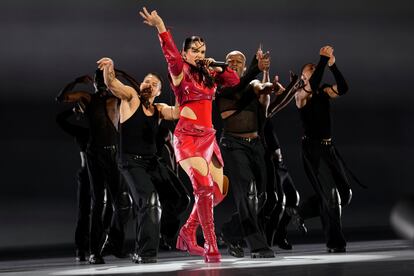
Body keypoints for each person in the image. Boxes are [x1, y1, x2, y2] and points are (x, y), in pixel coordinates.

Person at [139, 7, 240, 263]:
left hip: (209, 138)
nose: (198, 54)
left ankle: (186, 231)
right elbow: (170, 55)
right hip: (187, 138)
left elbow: (234, 81)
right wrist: (161, 26)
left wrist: (214, 64)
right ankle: (211, 246)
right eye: (194, 50)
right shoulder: (179, 71)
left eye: (202, 50)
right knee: (204, 190)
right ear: (185, 53)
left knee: (218, 191)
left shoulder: (208, 74)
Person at [97, 58, 191, 263]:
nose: (149, 84)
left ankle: (164, 232)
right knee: (149, 202)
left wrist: (178, 86)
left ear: (158, 92)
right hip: (131, 162)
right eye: (146, 81)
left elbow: (176, 112)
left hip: (152, 162)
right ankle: (144, 252)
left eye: (154, 84)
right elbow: (113, 84)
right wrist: (110, 67)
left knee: (181, 199)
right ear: (140, 85)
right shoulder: (132, 98)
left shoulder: (158, 109)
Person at [56, 70, 132, 264]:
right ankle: (93, 252)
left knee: (123, 203)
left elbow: (139, 93)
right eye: (99, 80)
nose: (102, 83)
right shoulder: (88, 97)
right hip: (95, 154)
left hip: (114, 153)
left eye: (105, 80)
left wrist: (122, 75)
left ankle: (114, 244)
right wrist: (75, 81)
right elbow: (60, 98)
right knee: (99, 203)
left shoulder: (118, 97)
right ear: (95, 84)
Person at [215, 50, 276, 258]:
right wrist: (256, 68)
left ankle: (231, 232)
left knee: (262, 196)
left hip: (256, 144)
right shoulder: (221, 86)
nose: (233, 63)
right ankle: (258, 246)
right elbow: (237, 89)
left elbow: (261, 87)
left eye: (238, 61)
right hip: (233, 145)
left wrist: (269, 81)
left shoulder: (251, 85)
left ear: (243, 66)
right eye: (229, 60)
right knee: (248, 193)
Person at [294, 45, 353, 253]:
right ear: (303, 76)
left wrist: (333, 65)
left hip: (329, 147)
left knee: (344, 194)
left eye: (315, 66)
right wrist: (321, 59)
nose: (314, 67)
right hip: (313, 149)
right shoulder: (301, 94)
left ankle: (299, 212)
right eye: (310, 68)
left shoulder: (323, 90)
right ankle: (335, 243)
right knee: (331, 196)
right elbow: (313, 82)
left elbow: (343, 88)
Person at [56, 106, 90, 261]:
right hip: (88, 174)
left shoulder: (106, 129)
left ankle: (95, 246)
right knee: (85, 212)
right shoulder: (83, 132)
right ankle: (81, 248)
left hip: (102, 173)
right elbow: (60, 119)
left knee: (104, 210)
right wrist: (73, 110)